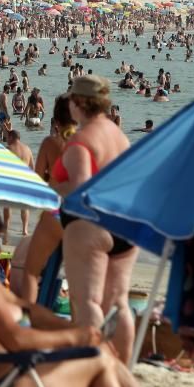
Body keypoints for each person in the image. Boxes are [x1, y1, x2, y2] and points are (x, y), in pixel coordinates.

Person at [0, 202, 153, 387]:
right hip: (4, 381)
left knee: (102, 355)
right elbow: (16, 339)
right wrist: (74, 337)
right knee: (102, 361)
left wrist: (75, 329)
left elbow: (26, 309)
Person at [57, 75, 136, 363]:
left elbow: (82, 192)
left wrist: (52, 185)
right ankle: (122, 368)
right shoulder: (119, 135)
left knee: (87, 301)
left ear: (78, 103)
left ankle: (93, 369)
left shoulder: (82, 140)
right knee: (119, 303)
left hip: (91, 227)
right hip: (126, 226)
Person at [17, 96, 77, 303]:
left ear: (56, 119)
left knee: (32, 272)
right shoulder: (88, 143)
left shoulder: (51, 143)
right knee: (76, 279)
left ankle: (31, 317)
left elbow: (37, 179)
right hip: (80, 216)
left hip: (55, 212)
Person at [3, 130, 32, 241]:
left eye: (8, 138)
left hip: (11, 180)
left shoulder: (8, 149)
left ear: (11, 137)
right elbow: (32, 167)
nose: (7, 140)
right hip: (24, 180)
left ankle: (6, 229)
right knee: (24, 207)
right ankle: (25, 230)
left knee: (8, 205)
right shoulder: (27, 149)